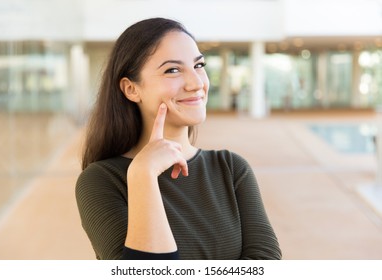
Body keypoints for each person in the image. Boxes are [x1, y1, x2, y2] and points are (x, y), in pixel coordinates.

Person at [75, 17, 281, 260]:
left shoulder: (231, 169)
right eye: (172, 70)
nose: (196, 83)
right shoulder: (102, 180)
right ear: (131, 89)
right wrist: (143, 176)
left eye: (199, 65)